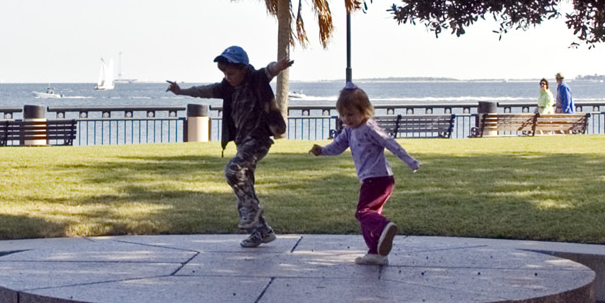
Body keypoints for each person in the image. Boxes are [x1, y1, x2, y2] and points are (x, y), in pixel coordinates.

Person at [167, 46, 294, 247]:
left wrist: (278, 67)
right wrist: (180, 91)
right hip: (243, 142)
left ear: (243, 69)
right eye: (225, 73)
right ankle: (261, 232)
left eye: (231, 73)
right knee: (243, 183)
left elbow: (268, 71)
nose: (228, 77)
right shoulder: (227, 87)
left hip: (259, 139)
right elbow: (205, 91)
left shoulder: (255, 79)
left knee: (233, 170)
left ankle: (252, 216)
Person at [310, 86, 421, 265]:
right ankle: (376, 252)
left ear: (365, 111)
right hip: (371, 179)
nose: (347, 119)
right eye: (343, 115)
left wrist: (410, 161)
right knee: (367, 218)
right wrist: (322, 151)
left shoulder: (369, 127)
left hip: (378, 179)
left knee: (363, 213)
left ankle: (384, 226)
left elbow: (389, 143)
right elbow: (337, 147)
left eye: (351, 114)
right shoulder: (348, 131)